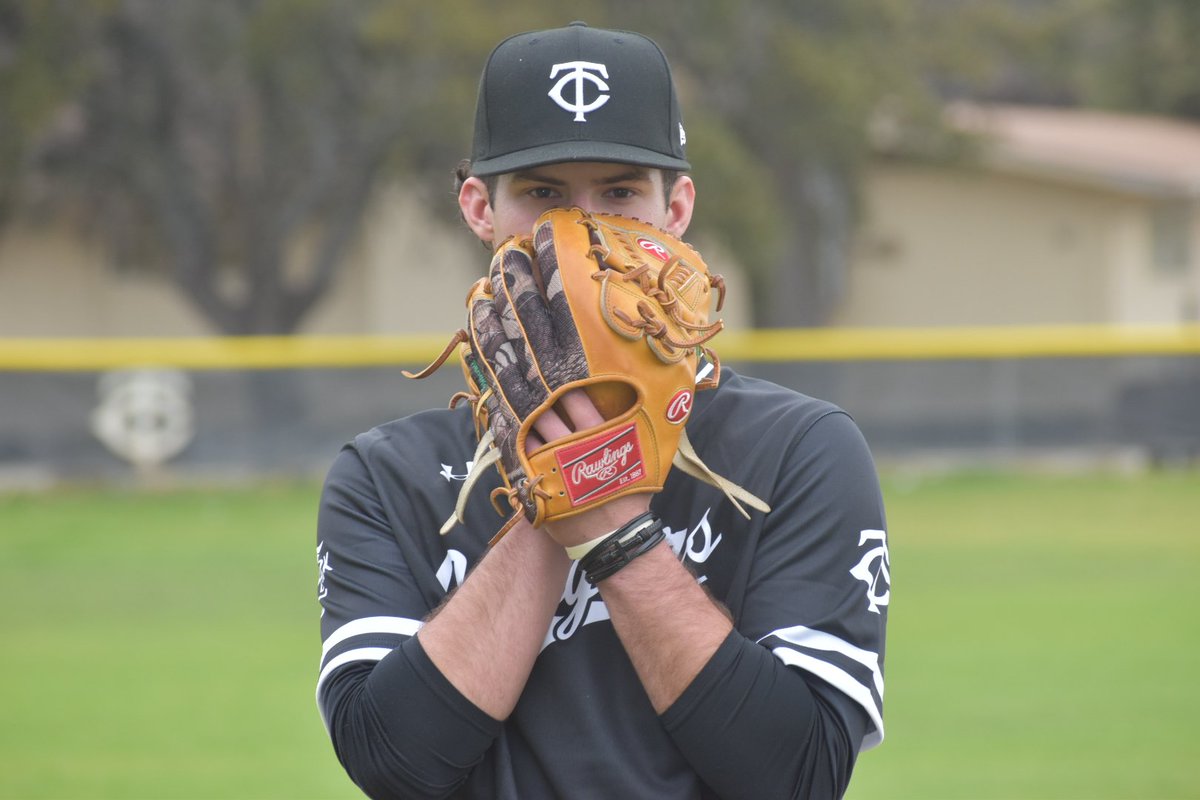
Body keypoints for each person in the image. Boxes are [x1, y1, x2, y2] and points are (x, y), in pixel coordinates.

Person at [316, 21, 889, 800]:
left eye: (619, 192)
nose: (581, 233)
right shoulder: (389, 475)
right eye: (543, 194)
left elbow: (797, 774)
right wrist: (558, 492)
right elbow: (395, 765)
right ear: (479, 207)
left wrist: (614, 528)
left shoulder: (797, 448)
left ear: (676, 208)